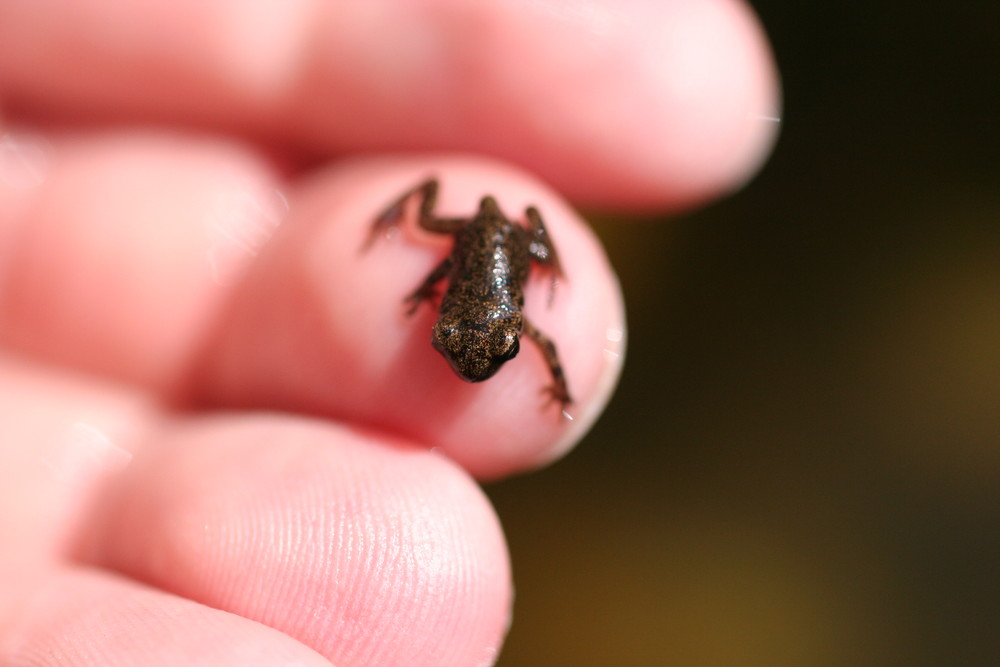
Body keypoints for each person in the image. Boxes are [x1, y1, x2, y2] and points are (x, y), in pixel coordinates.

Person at [0, 1, 778, 664]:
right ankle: (428, 220)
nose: (474, 359)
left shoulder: (505, 321)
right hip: (479, 241)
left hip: (500, 245)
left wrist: (535, 349)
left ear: (494, 333)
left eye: (481, 349)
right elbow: (478, 306)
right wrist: (519, 356)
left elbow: (517, 328)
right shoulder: (490, 315)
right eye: (463, 346)